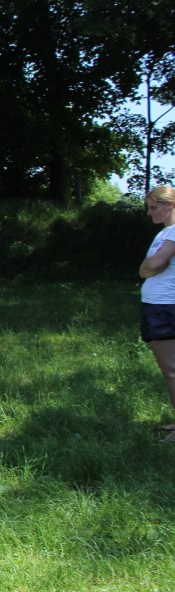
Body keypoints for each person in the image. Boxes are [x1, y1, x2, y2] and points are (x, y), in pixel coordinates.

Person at [140, 186, 175, 442]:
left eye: (154, 207)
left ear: (170, 205)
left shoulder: (174, 232)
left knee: (172, 370)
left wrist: (146, 268)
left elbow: (154, 264)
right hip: (158, 307)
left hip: (166, 308)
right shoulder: (165, 233)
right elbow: (147, 269)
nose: (149, 212)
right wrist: (146, 268)